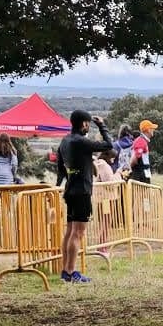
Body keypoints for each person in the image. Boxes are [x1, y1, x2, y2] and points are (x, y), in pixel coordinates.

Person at [57, 109, 110, 282]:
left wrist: (65, 181)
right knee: (78, 233)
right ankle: (71, 272)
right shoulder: (82, 141)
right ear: (85, 124)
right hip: (82, 191)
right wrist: (102, 126)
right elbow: (108, 146)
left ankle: (65, 270)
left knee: (70, 231)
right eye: (88, 124)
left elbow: (60, 167)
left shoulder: (64, 141)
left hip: (70, 189)